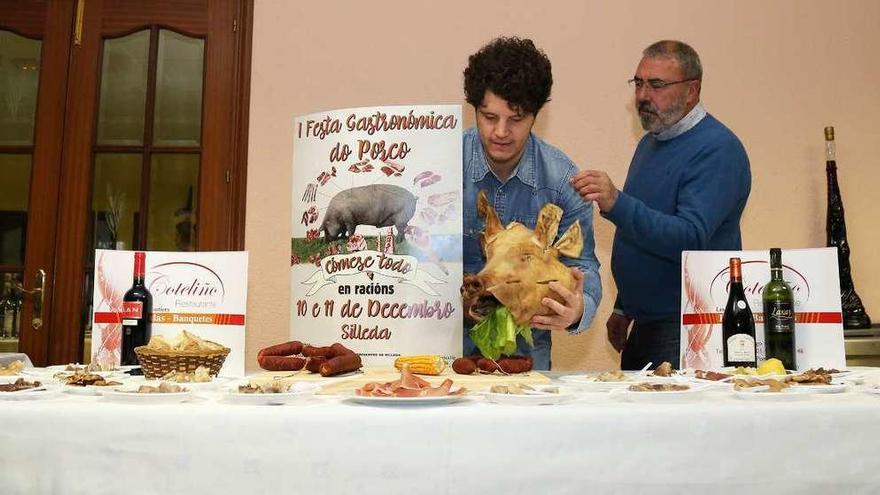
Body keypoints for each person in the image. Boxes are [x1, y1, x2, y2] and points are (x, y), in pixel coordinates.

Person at [571, 40, 751, 370]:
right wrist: (625, 306)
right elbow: (643, 233)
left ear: (692, 90)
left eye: (657, 85)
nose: (642, 95)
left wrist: (617, 203)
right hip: (646, 324)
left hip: (687, 328)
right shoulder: (650, 144)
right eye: (638, 83)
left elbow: (690, 237)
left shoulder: (718, 150)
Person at [462, 36, 602, 370]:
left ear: (536, 115)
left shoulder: (564, 180)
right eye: (489, 117)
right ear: (475, 110)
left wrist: (578, 309)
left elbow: (584, 266)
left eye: (516, 118)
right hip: (443, 357)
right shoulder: (439, 167)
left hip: (528, 362)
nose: (501, 131)